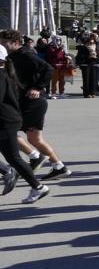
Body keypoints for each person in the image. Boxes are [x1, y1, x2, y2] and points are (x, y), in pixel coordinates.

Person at [0, 29, 70, 189]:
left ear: (15, 42)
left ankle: (35, 157)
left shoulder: (25, 54)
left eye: (4, 42)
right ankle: (58, 166)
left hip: (33, 101)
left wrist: (37, 87)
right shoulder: (12, 56)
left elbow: (48, 69)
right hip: (26, 101)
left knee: (8, 132)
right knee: (33, 139)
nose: (2, 45)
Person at [0, 45, 45, 202]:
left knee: (14, 158)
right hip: (8, 119)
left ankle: (38, 187)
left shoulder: (1, 76)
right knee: (13, 158)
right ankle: (8, 171)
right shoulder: (7, 74)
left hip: (5, 121)